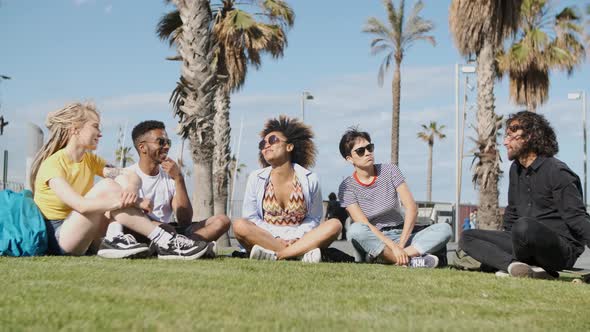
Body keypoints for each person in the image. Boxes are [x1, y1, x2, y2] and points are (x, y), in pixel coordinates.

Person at [31, 102, 208, 259]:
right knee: (108, 186)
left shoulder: (90, 160)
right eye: (95, 127)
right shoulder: (52, 165)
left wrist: (131, 187)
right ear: (75, 129)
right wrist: (137, 201)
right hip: (60, 238)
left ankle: (115, 237)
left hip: (82, 230)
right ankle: (164, 241)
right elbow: (81, 206)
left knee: (119, 181)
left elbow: (130, 175)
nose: (100, 133)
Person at [459, 111, 590, 278]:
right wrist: (505, 238)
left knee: (524, 227)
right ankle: (516, 266)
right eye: (506, 136)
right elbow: (512, 213)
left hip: (559, 250)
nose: (505, 142)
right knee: (467, 237)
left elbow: (578, 218)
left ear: (529, 137)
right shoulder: (516, 170)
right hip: (522, 242)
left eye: (511, 136)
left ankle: (502, 263)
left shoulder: (557, 172)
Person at [99, 121, 231, 258]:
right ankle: (185, 246)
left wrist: (179, 178)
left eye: (168, 142)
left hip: (170, 230)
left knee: (222, 221)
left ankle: (180, 245)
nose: (166, 146)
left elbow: (184, 220)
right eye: (161, 142)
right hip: (144, 230)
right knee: (165, 229)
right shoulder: (126, 175)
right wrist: (158, 225)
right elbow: (118, 214)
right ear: (142, 147)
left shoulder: (170, 177)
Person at [233, 116, 342, 263]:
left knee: (335, 224)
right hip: (266, 236)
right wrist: (277, 238)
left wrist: (297, 237)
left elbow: (314, 218)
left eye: (272, 141)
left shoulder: (310, 179)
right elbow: (251, 217)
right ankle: (300, 254)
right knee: (240, 225)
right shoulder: (255, 177)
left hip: (301, 237)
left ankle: (279, 255)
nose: (266, 146)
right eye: (262, 143)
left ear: (289, 147)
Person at [338, 127, 452, 268]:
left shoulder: (390, 171)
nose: (368, 153)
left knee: (444, 229)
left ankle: (390, 259)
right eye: (361, 151)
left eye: (370, 148)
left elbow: (411, 208)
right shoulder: (347, 186)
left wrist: (400, 246)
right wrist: (392, 246)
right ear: (349, 159)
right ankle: (410, 260)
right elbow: (364, 224)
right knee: (355, 230)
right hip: (374, 238)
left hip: (401, 235)